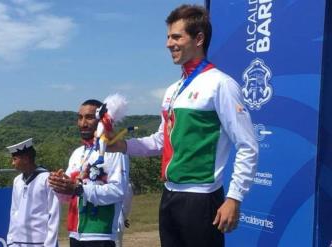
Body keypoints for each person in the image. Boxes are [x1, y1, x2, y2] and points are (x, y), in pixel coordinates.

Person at [108, 4, 258, 247]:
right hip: (169, 195)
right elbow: (160, 141)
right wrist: (122, 145)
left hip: (201, 198)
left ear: (199, 38)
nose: (169, 43)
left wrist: (234, 198)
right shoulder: (173, 89)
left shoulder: (220, 84)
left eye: (176, 36)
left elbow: (248, 145)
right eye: (168, 37)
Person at [48, 99, 129, 247]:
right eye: (80, 117)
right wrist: (60, 183)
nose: (82, 123)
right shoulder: (77, 153)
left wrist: (79, 189)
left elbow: (118, 191)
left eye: (89, 117)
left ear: (101, 119)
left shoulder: (115, 151)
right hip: (75, 234)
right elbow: (68, 196)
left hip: (101, 234)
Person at [6, 138, 60, 247]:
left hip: (39, 242)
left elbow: (54, 213)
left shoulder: (47, 178)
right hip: (18, 241)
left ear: (25, 159)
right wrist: (10, 240)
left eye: (14, 159)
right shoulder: (17, 181)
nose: (12, 163)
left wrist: (50, 244)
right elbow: (14, 211)